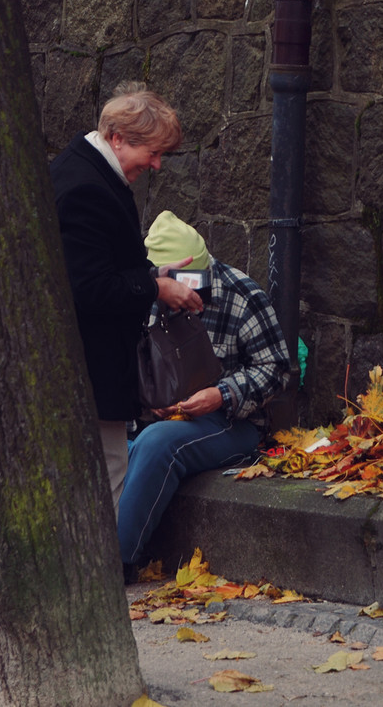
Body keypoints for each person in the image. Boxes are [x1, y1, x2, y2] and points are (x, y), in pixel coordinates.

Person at [51, 82, 203, 511]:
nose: (156, 165)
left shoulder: (85, 170)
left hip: (84, 365)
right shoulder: (86, 188)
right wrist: (156, 286)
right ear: (118, 138)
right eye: (152, 153)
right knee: (107, 472)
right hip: (88, 365)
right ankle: (101, 570)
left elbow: (99, 264)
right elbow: (88, 287)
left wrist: (153, 274)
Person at [117, 211, 292, 577]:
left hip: (230, 421)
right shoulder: (141, 294)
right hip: (154, 417)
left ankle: (114, 563)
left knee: (157, 443)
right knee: (119, 439)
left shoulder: (241, 294)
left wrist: (222, 394)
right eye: (172, 283)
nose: (186, 290)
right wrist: (149, 400)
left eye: (194, 280)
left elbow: (275, 369)